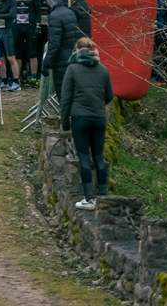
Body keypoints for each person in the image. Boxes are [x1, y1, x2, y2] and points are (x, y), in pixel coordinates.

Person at [60, 36, 113, 210]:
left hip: (80, 118)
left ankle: (89, 198)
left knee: (83, 156)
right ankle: (104, 197)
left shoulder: (72, 69)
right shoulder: (103, 70)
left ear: (77, 51)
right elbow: (109, 96)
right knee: (99, 156)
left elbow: (66, 99)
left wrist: (65, 122)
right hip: (99, 118)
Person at [42, 0, 80, 99]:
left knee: (63, 95)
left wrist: (46, 63)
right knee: (71, 93)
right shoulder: (70, 12)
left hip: (61, 61)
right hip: (73, 57)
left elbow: (54, 43)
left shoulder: (55, 16)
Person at [12, 0, 40, 84]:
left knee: (32, 52)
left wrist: (37, 25)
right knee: (18, 53)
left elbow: (37, 11)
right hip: (17, 27)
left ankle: (33, 76)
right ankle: (18, 76)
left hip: (30, 27)